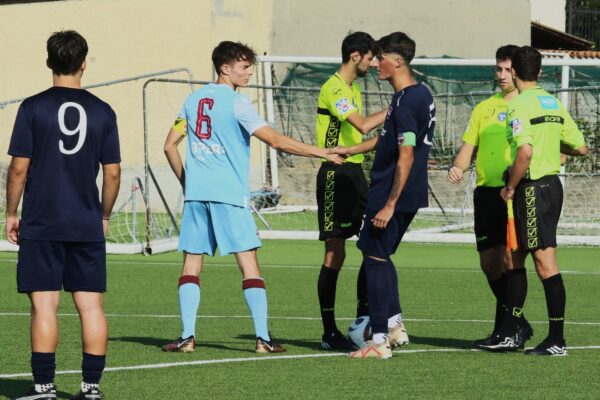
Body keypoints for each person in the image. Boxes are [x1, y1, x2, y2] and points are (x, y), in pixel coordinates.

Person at [162, 41, 344, 354]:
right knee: (249, 266)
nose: (249, 73)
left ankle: (187, 337)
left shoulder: (192, 100)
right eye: (244, 67)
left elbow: (169, 145)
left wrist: (188, 184)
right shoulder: (237, 104)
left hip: (198, 195)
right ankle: (263, 339)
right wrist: (320, 151)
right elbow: (275, 140)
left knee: (191, 265)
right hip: (229, 196)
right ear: (225, 68)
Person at [6, 31, 121, 400]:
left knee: (44, 304)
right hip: (86, 222)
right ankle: (91, 388)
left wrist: (10, 212)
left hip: (42, 221)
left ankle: (44, 388)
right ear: (84, 63)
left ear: (48, 61)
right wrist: (103, 216)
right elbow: (113, 171)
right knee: (91, 306)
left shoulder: (33, 107)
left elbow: (18, 169)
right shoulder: (103, 110)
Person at [334, 32, 435, 359]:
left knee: (374, 256)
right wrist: (352, 148)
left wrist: (389, 204)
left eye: (380, 58)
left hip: (393, 193)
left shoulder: (406, 101)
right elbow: (388, 140)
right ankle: (393, 325)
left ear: (398, 61)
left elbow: (405, 154)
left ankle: (378, 341)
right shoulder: (417, 94)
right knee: (379, 253)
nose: (375, 63)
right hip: (407, 191)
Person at [482, 46, 588, 355]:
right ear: (540, 72)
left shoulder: (519, 106)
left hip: (531, 189)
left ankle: (557, 339)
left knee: (544, 263)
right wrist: (551, 150)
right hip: (551, 186)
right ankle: (510, 331)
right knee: (513, 258)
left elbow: (524, 153)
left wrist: (511, 186)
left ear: (513, 72)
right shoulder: (552, 101)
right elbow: (580, 148)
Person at [448, 45, 533, 349]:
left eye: (507, 69)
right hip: (485, 193)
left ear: (518, 71)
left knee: (510, 259)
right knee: (489, 262)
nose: (501, 75)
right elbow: (469, 148)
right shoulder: (484, 108)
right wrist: (457, 166)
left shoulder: (529, 106)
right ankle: (517, 323)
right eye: (498, 69)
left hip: (515, 192)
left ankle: (507, 330)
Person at [314, 31, 391, 351]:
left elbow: (363, 137)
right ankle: (329, 331)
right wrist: (396, 105)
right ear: (355, 56)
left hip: (356, 171)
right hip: (335, 174)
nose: (374, 64)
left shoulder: (352, 89)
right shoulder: (334, 88)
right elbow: (361, 125)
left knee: (368, 244)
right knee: (335, 252)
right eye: (371, 57)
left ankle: (363, 320)